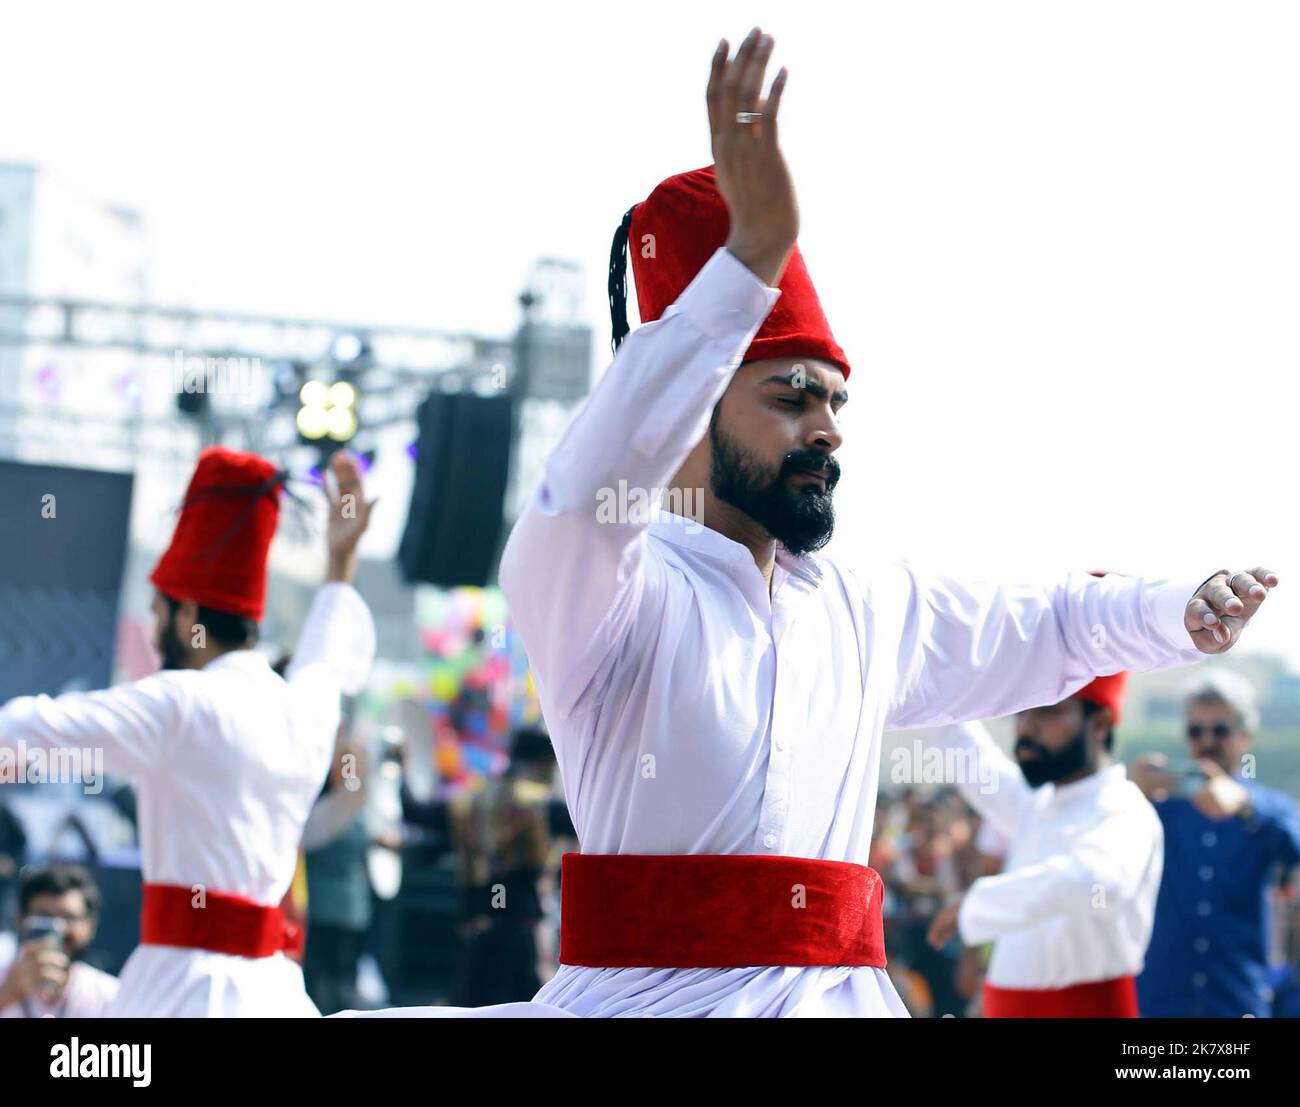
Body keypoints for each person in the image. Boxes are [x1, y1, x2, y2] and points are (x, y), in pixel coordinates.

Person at [346, 29, 1276, 1019]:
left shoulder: (865, 604)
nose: (827, 427)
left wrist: (1178, 608)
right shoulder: (613, 595)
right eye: (791, 397)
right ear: (688, 408)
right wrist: (746, 265)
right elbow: (576, 499)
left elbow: (1042, 625)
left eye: (835, 399)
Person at [0, 448, 377, 1016]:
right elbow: (326, 658)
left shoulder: (180, 703)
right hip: (273, 994)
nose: (154, 632)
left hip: (178, 993)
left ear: (188, 618)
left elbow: (27, 729)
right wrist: (340, 560)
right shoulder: (303, 708)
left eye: (157, 613)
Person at [924, 673, 1162, 1017]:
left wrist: (977, 904)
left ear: (1100, 723)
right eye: (1020, 712)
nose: (1025, 728)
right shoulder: (1036, 803)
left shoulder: (1124, 807)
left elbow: (1094, 881)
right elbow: (963, 749)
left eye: (1047, 712)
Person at [1134, 670, 1300, 1016]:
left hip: (1237, 996)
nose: (1206, 741)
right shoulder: (1161, 805)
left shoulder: (1263, 808)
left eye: (1219, 731)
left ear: (1245, 737)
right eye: (1196, 731)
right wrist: (1129, 790)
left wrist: (1244, 806)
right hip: (1160, 999)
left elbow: (1293, 847)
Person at [0, 865, 118, 1018]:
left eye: (69, 917)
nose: (57, 928)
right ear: (21, 921)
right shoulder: (4, 981)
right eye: (44, 917)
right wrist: (6, 994)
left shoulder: (109, 995)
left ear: (90, 926)